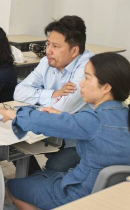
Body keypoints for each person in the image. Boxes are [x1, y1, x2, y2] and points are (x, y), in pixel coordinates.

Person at [0, 53, 130, 210]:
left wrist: (13, 114)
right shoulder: (129, 114)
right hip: (112, 194)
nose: (81, 83)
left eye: (87, 78)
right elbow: (85, 125)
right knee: (43, 175)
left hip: (80, 193)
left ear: (106, 87)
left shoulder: (94, 120)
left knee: (13, 186)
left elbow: (41, 122)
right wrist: (60, 115)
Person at [13, 15, 94, 173]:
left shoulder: (88, 67)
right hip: (53, 130)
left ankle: (42, 181)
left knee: (55, 166)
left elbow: (62, 108)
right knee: (16, 145)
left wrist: (40, 100)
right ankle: (35, 181)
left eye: (55, 46)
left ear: (74, 50)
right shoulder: (47, 61)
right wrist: (54, 94)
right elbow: (19, 92)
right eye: (48, 44)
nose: (48, 51)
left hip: (80, 140)